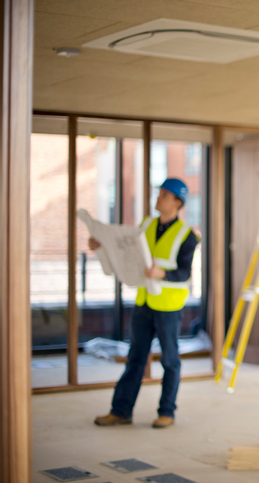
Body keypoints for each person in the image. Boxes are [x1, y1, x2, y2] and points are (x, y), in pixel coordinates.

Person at [93, 178, 199, 429]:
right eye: (159, 193)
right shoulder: (146, 224)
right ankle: (121, 412)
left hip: (169, 308)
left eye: (164, 195)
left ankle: (167, 412)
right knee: (136, 359)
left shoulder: (187, 236)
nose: (158, 198)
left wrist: (162, 273)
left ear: (177, 202)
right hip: (144, 303)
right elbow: (125, 252)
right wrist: (102, 247)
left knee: (170, 361)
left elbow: (185, 272)